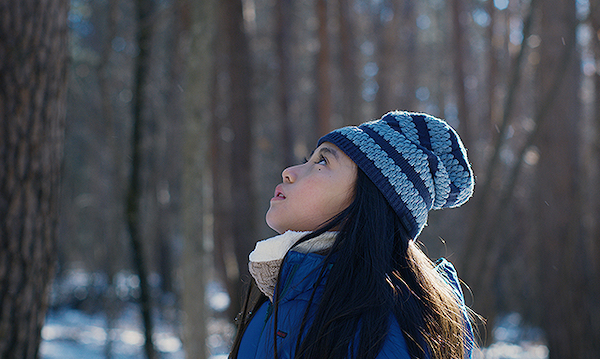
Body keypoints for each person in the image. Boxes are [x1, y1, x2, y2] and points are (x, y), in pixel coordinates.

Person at [229, 110, 477, 359]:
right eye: (308, 159)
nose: (289, 172)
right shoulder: (289, 290)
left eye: (322, 162)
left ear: (365, 202)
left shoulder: (382, 330)